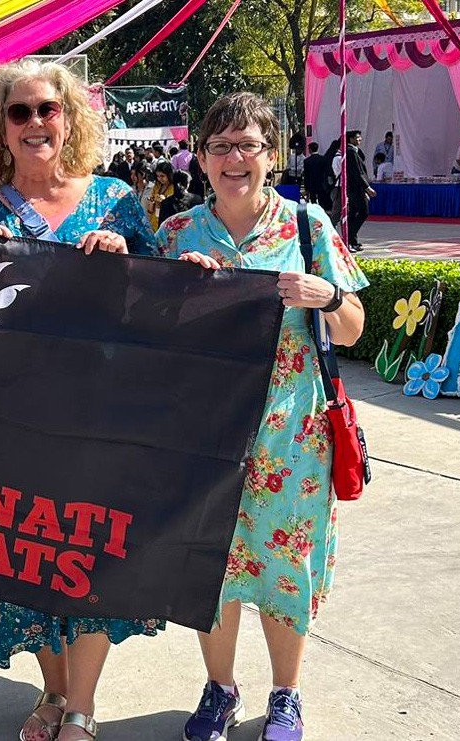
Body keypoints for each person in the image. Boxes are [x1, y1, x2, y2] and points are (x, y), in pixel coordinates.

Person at [0, 58, 158, 741]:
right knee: (24, 558)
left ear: (69, 117)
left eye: (48, 109)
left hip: (99, 415)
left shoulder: (117, 201)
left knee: (89, 556)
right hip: (8, 420)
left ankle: (80, 708)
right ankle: (56, 683)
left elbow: (165, 301)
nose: (36, 122)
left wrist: (127, 256)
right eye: (20, 112)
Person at [154, 92, 368, 741]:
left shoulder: (306, 225)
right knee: (211, 568)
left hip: (291, 440)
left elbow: (355, 328)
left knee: (283, 567)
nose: (234, 157)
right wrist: (177, 297)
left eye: (247, 144)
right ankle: (219, 690)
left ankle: (286, 694)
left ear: (271, 155)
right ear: (200, 157)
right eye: (219, 145)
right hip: (204, 437)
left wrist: (325, 294)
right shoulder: (176, 234)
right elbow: (142, 330)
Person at [148, 160, 175, 230]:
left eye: (162, 176)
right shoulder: (157, 186)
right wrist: (153, 201)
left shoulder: (173, 188)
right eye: (157, 176)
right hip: (154, 223)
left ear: (169, 175)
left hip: (166, 224)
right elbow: (150, 209)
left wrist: (163, 202)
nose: (159, 179)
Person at [302, 141, 330, 210]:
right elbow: (326, 172)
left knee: (313, 202)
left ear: (310, 150)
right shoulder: (323, 159)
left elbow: (306, 175)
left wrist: (306, 188)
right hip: (322, 183)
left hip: (312, 184)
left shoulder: (307, 161)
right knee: (322, 201)